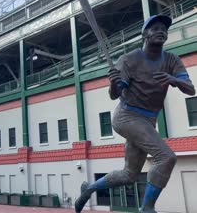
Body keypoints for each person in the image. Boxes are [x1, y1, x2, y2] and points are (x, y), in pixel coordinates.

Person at [74, 15, 195, 213]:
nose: (160, 31)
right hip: (127, 116)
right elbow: (116, 95)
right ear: (145, 34)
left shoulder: (172, 60)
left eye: (164, 28)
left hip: (148, 119)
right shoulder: (129, 60)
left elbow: (190, 89)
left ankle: (89, 188)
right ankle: (147, 208)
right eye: (154, 28)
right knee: (166, 157)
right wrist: (114, 83)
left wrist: (173, 79)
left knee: (129, 174)